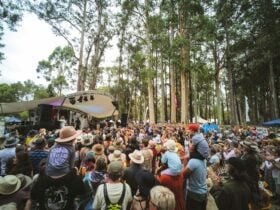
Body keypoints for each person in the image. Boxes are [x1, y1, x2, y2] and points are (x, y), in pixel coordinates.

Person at [183, 123, 208, 210]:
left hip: (194, 194)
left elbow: (184, 175)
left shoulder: (194, 161)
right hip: (204, 193)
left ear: (192, 130)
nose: (188, 131)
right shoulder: (204, 161)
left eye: (189, 130)